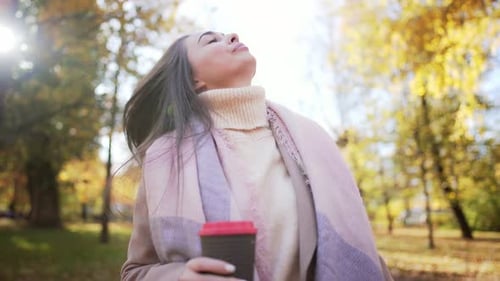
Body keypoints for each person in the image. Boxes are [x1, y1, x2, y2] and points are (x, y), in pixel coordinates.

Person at [120, 31, 393, 281]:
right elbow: (136, 272)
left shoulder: (313, 139)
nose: (232, 36)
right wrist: (180, 277)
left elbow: (361, 250)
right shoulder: (166, 160)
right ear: (194, 80)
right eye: (211, 40)